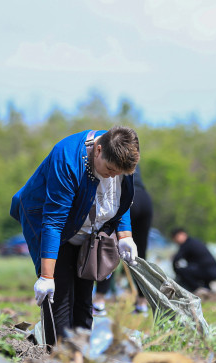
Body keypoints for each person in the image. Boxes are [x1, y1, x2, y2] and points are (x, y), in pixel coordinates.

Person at [11, 126, 140, 344]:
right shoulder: (68, 158)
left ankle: (81, 354)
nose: (113, 176)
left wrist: (125, 235)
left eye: (119, 173)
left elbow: (121, 198)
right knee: (59, 295)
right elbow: (53, 221)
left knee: (83, 295)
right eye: (109, 170)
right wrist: (46, 277)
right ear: (98, 150)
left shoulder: (121, 152)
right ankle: (58, 357)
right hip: (46, 219)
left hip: (86, 226)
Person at [93, 164, 152, 315]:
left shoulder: (112, 151)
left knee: (109, 250)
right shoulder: (132, 155)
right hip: (145, 199)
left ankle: (99, 302)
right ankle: (142, 304)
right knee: (140, 254)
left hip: (128, 199)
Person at [170, 227, 216, 292]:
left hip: (208, 271)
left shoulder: (187, 244)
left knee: (182, 271)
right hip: (213, 270)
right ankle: (206, 288)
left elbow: (176, 260)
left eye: (175, 238)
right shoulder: (194, 241)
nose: (175, 241)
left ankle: (197, 289)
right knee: (192, 268)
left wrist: (176, 271)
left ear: (181, 235)